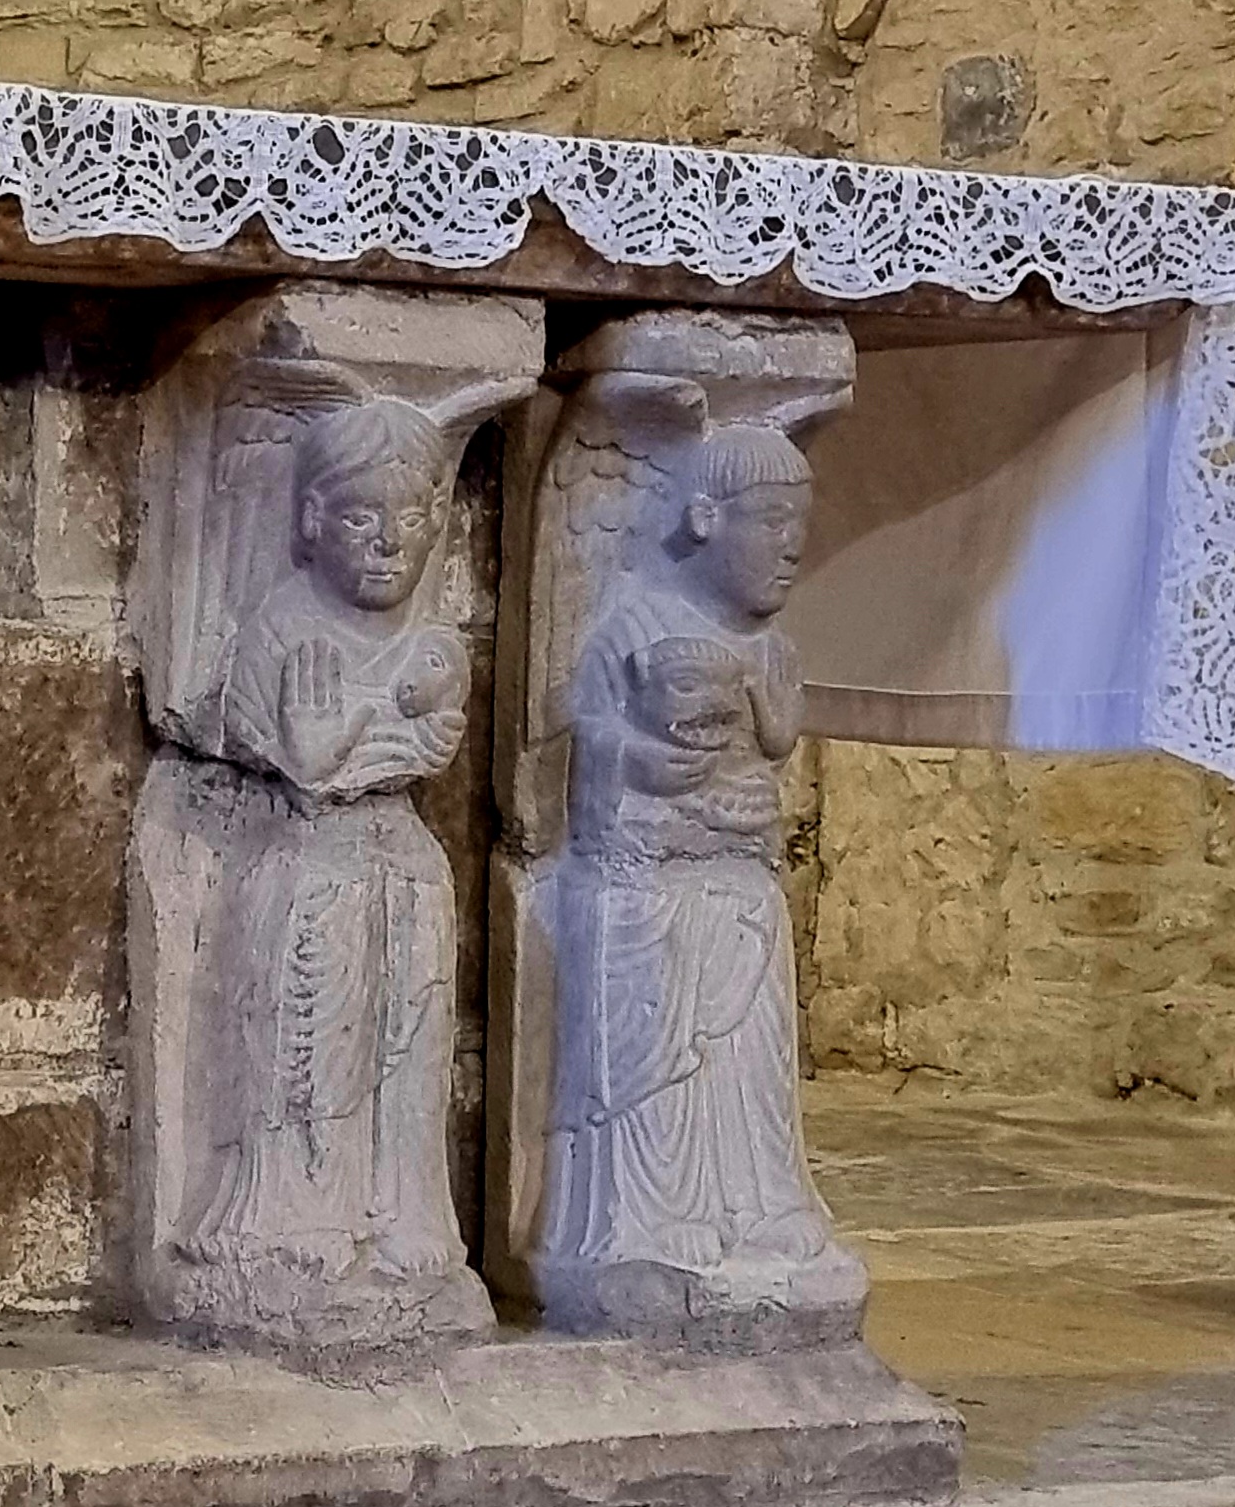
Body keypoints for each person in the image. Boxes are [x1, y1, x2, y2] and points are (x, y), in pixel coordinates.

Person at [181, 375, 492, 1346]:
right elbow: (310, 764)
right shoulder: (283, 624)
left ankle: (407, 1218)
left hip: (406, 861)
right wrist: (370, 724)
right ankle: (294, 1221)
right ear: (312, 520)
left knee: (410, 1046)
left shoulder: (431, 639)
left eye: (412, 519)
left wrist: (358, 730)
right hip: (309, 864)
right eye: (362, 517)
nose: (389, 541)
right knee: (313, 1041)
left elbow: (428, 748)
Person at [540, 423, 857, 1330]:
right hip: (646, 883)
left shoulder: (771, 647)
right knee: (660, 1037)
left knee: (750, 1059)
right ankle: (645, 1214)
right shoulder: (632, 625)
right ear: (705, 517)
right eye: (771, 521)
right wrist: (633, 761)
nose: (791, 545)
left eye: (800, 524)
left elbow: (773, 749)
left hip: (739, 880)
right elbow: (568, 754)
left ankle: (759, 1200)